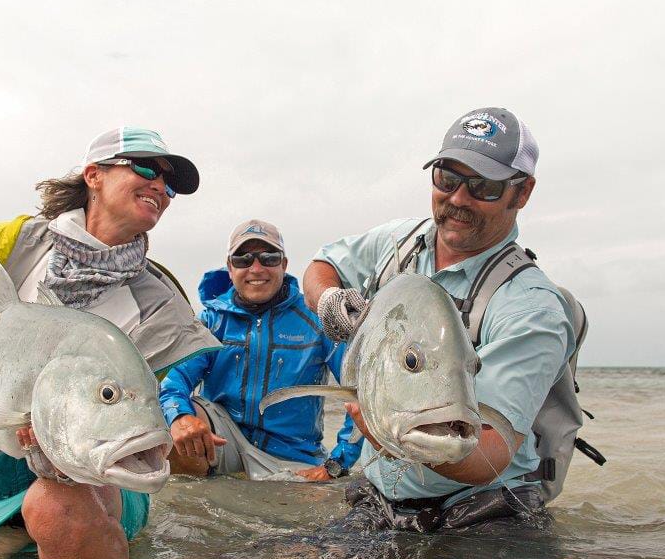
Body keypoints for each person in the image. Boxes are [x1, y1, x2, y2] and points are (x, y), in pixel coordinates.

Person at [0, 127, 220, 559]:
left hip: (99, 481)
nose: (161, 185)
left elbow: (138, 407)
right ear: (94, 175)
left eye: (170, 183)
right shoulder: (19, 244)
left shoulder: (163, 306)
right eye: (146, 168)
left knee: (57, 508)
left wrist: (71, 454)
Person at [303, 107, 575, 532]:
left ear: (522, 194)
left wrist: (393, 437)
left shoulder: (533, 308)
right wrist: (330, 302)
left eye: (483, 186)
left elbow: (492, 452)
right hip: (381, 498)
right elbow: (322, 264)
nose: (458, 199)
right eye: (447, 179)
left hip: (484, 512)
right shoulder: (397, 242)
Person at [159, 220, 363, 481]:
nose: (256, 268)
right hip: (224, 442)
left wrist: (337, 465)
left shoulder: (315, 319)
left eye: (269, 257)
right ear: (230, 268)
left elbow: (360, 393)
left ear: (284, 265)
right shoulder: (211, 320)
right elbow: (174, 382)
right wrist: (180, 418)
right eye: (243, 259)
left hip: (293, 456)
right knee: (163, 425)